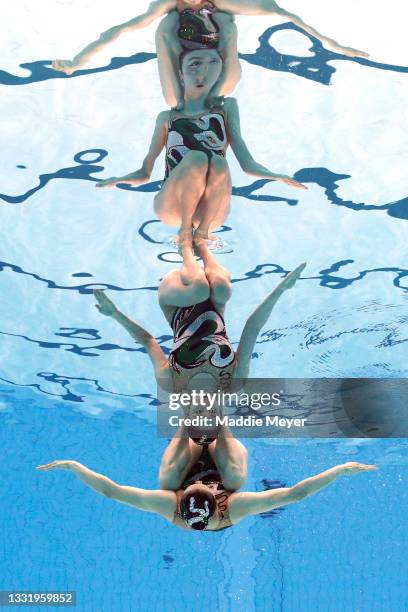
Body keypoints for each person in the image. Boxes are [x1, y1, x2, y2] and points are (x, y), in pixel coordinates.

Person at [95, 47, 306, 273]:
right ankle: (185, 232)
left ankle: (202, 234)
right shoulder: (168, 118)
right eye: (195, 64)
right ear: (180, 74)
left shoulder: (226, 110)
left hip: (210, 210)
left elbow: (247, 163)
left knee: (218, 162)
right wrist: (117, 180)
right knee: (197, 158)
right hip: (173, 206)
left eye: (213, 63)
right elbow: (145, 171)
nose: (203, 72)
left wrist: (276, 176)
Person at [52, 0, 369, 108]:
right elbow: (120, 30)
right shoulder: (169, 8)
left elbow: (281, 11)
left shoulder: (225, 6)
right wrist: (79, 61)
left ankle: (205, 100)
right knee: (165, 29)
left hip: (220, 58)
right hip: (183, 52)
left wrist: (334, 45)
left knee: (224, 22)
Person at [93, 240, 306, 395]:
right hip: (215, 303)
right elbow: (252, 327)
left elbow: (148, 341)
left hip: (174, 302)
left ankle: (185, 247)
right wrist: (282, 289)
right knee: (221, 289)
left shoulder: (172, 383)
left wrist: (115, 314)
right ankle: (203, 246)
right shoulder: (233, 382)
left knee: (200, 289)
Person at [37, 449, 377, 532]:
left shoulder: (169, 503)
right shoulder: (234, 506)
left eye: (193, 485)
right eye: (205, 485)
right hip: (224, 489)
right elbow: (294, 494)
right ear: (217, 498)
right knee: (233, 468)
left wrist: (73, 466)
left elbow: (113, 491)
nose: (201, 479)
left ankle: (188, 421)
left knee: (171, 471)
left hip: (185, 503)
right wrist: (341, 469)